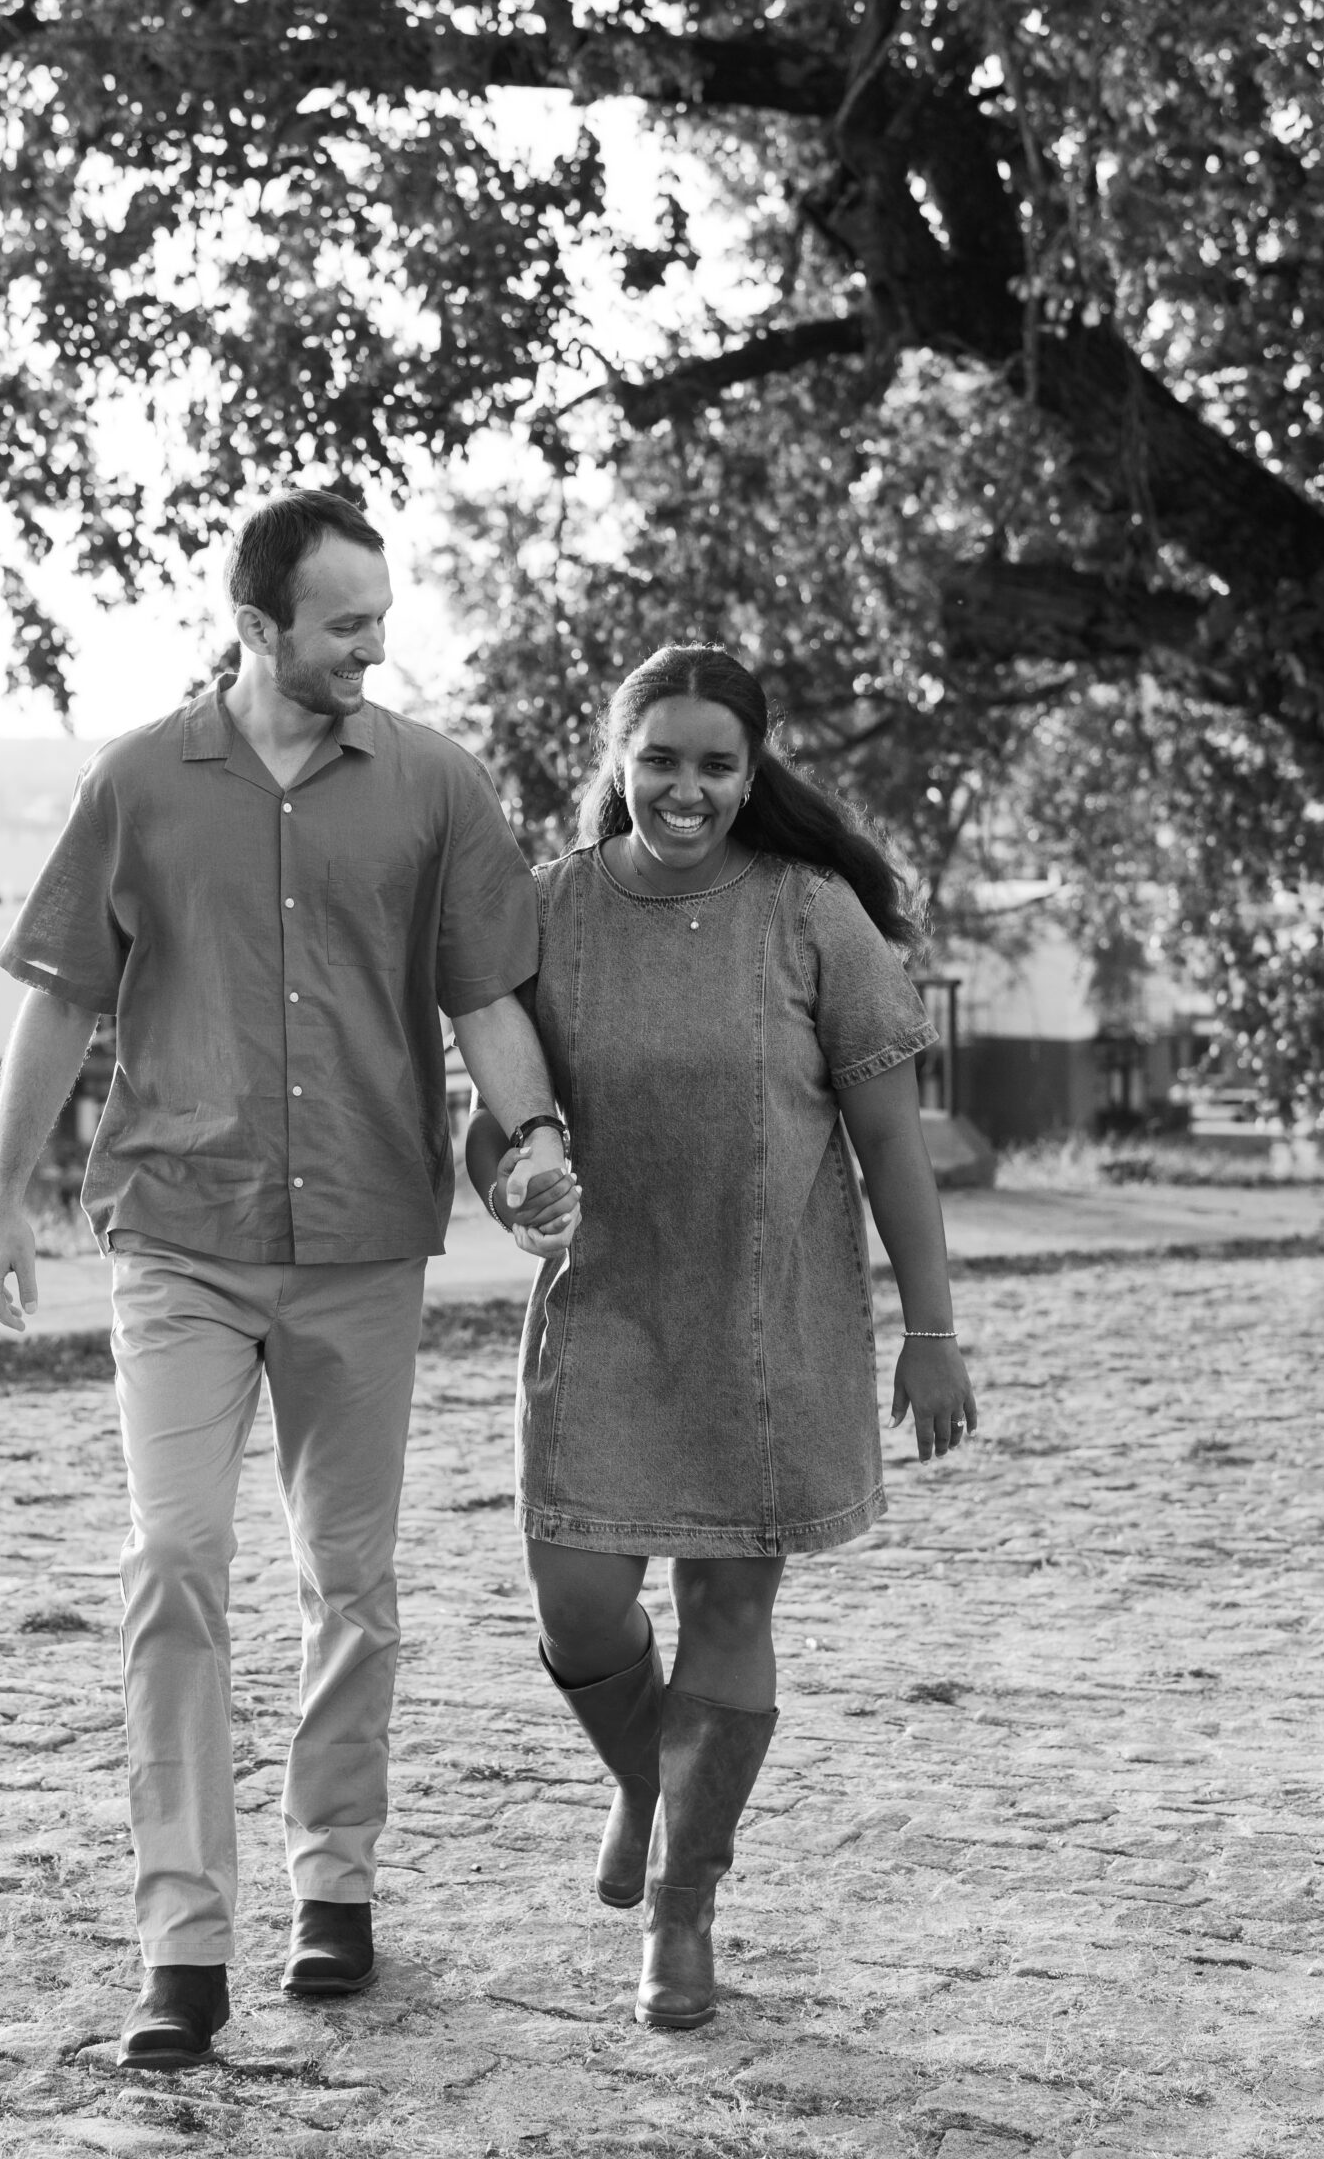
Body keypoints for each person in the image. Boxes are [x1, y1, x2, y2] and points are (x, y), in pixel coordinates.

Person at [0, 489, 577, 2070]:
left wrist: (533, 1138)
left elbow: (486, 995)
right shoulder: (140, 783)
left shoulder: (434, 785)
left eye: (381, 617)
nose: (376, 646)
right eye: (345, 624)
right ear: (256, 627)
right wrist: (0, 1203)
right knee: (171, 1560)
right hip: (177, 1233)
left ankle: (336, 1880)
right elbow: (57, 1000)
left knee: (349, 1585)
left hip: (364, 1242)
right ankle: (181, 1942)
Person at [466, 642, 976, 2032]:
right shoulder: (544, 912)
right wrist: (516, 1183)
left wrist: (929, 1328)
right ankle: (651, 1778)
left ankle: (682, 1911)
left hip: (769, 1324)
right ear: (616, 758)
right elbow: (497, 1127)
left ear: (752, 776)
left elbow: (889, 1145)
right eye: (660, 759)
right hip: (605, 1315)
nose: (684, 789)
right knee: (575, 1599)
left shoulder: (811, 916)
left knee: (726, 1610)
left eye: (715, 765)